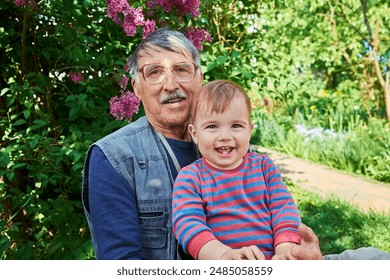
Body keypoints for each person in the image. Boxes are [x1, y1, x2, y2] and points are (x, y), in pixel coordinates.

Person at [81, 27, 390, 260]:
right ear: (136, 87)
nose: (171, 84)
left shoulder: (231, 146)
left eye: (181, 69)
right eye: (154, 73)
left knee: (376, 259)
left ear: (199, 77)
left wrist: (296, 251)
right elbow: (121, 268)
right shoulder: (114, 158)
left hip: (269, 264)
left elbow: (277, 208)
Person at [172, 80, 303, 260]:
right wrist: (223, 256)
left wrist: (284, 249)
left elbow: (284, 210)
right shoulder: (191, 177)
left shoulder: (264, 167)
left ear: (249, 130)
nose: (225, 136)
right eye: (212, 126)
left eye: (236, 126)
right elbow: (188, 224)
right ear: (195, 133)